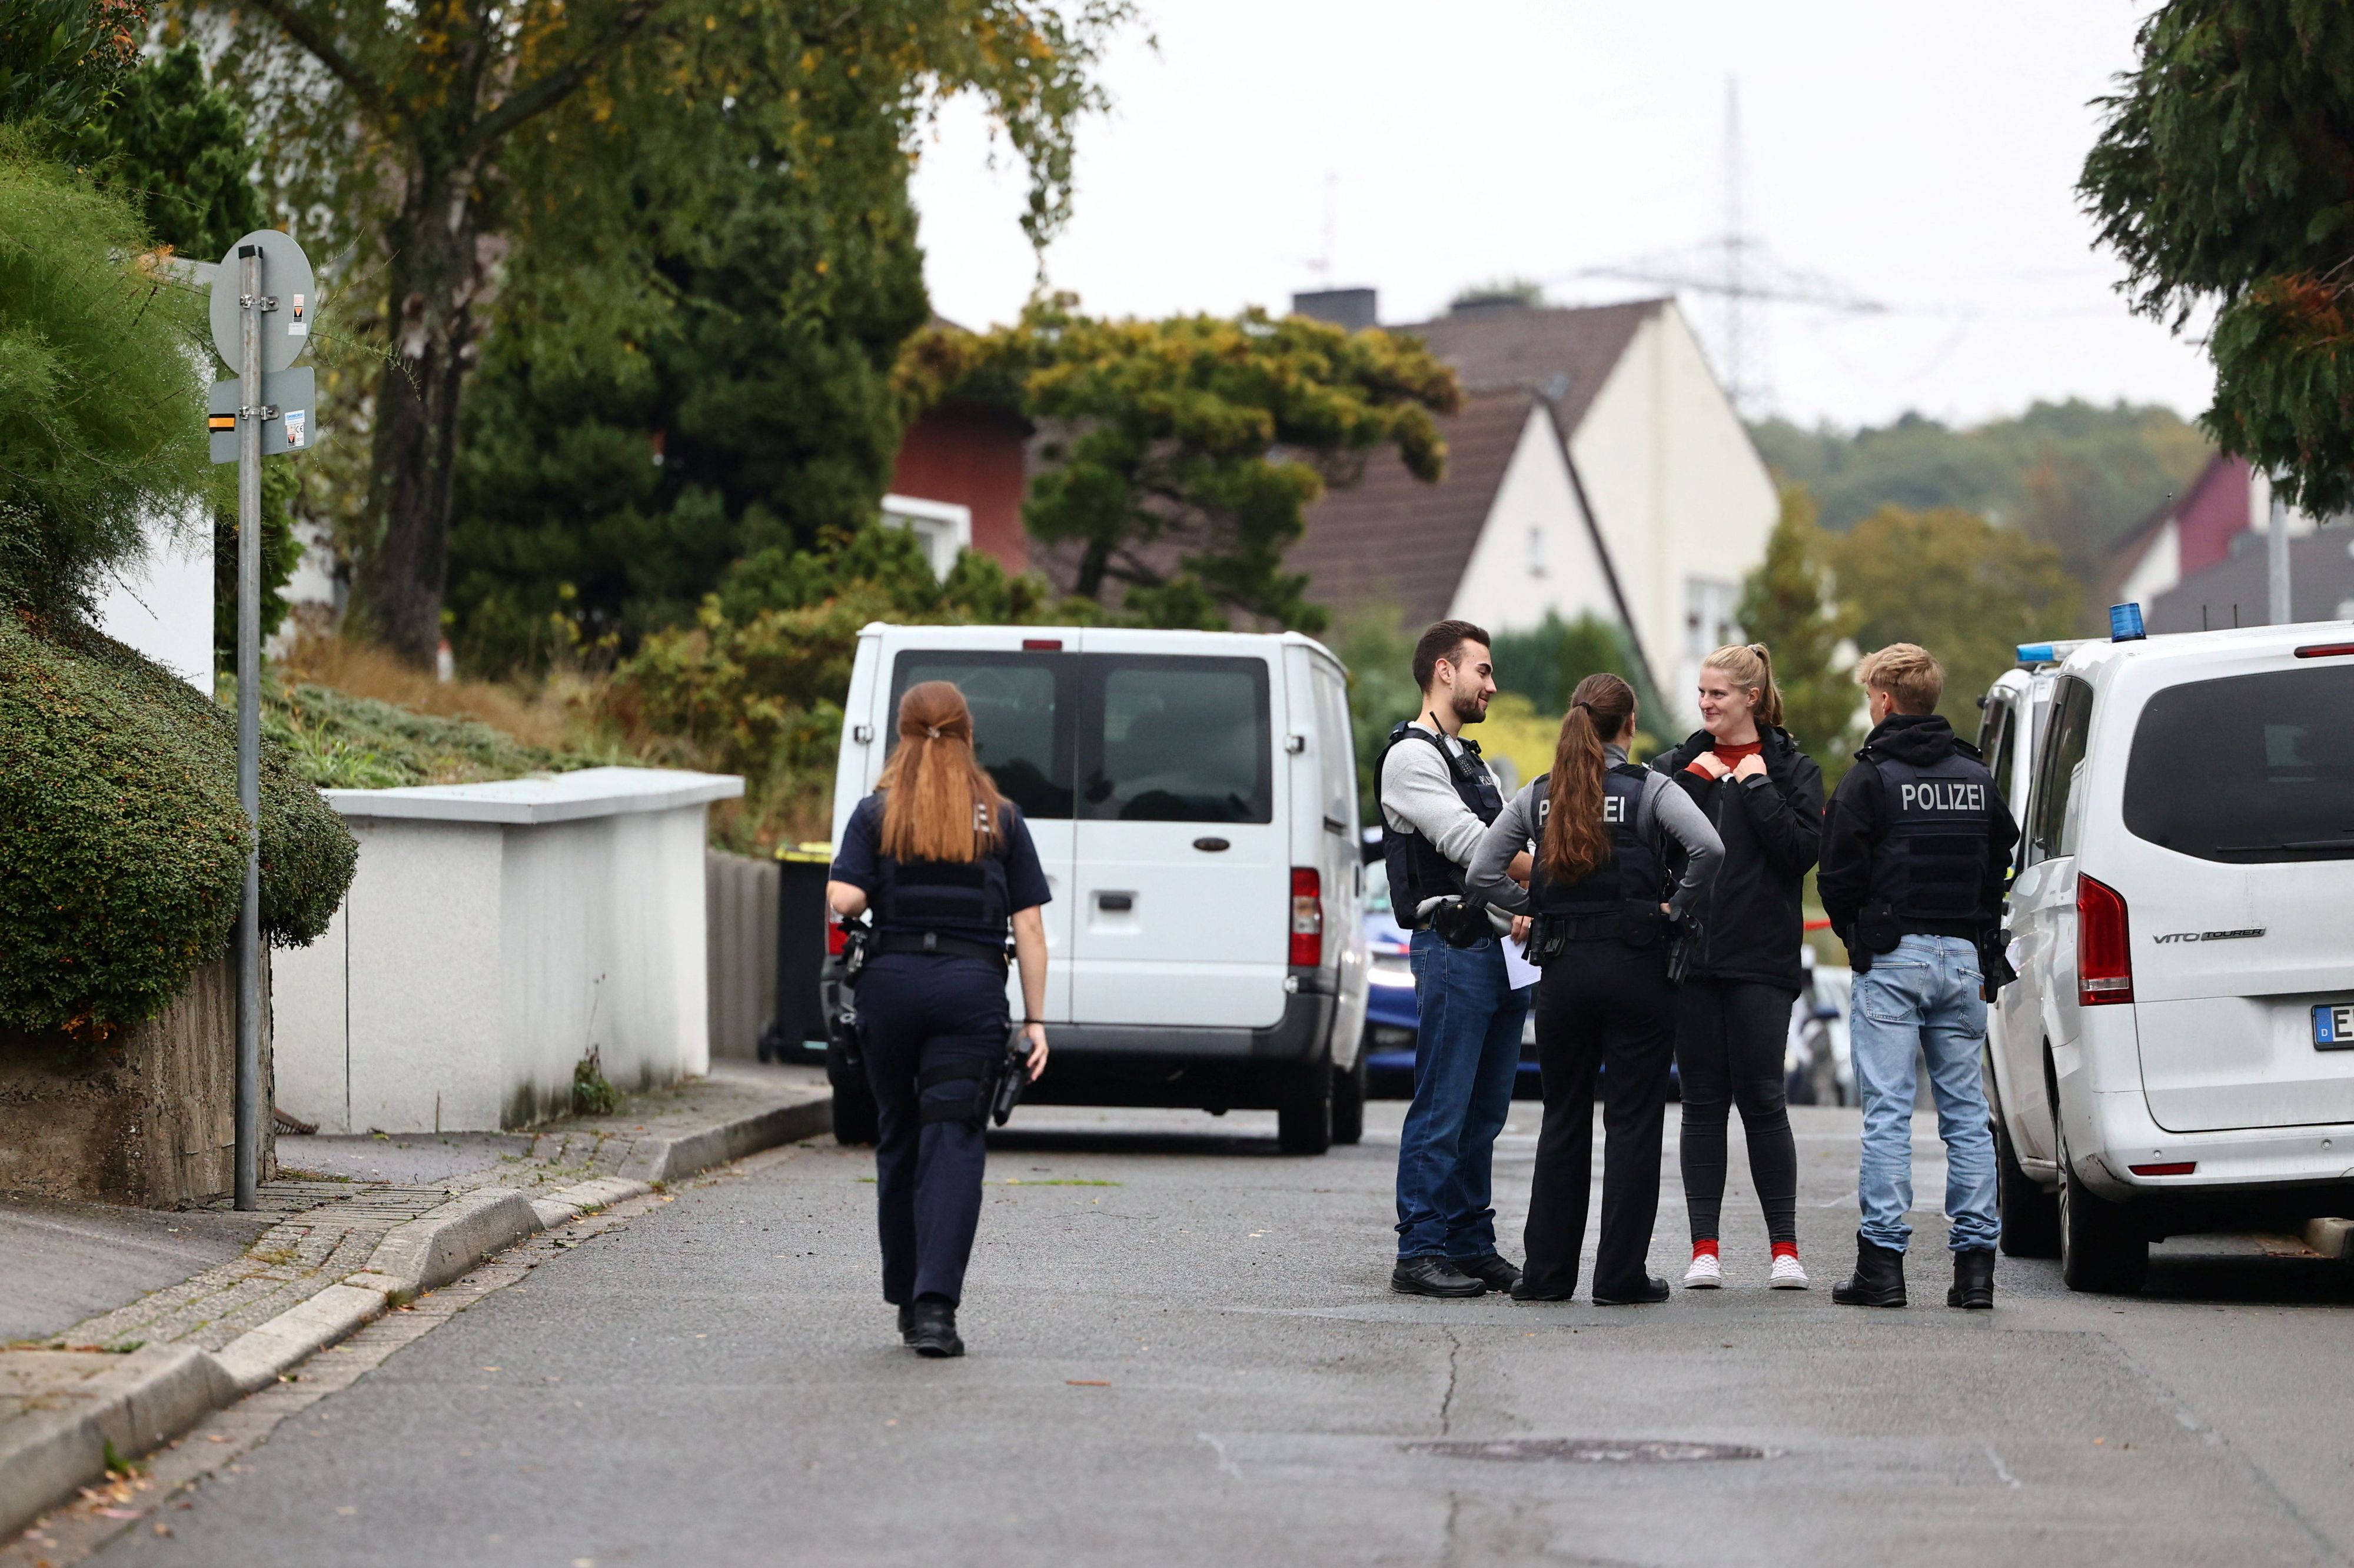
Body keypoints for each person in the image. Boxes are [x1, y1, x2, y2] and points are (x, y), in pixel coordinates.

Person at [1467, 673, 1722, 1305]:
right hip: (1637, 968)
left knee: (1564, 1116)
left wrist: (1532, 906)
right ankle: (1618, 1277)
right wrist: (1672, 906)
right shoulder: (1650, 789)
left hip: (1564, 971)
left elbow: (1481, 871)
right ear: (1628, 724)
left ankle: (1547, 1276)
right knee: (1632, 1121)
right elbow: (1708, 848)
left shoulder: (1541, 794)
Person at [826, 681, 1052, 1357]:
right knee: (953, 1139)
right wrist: (1035, 1022)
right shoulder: (1002, 818)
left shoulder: (877, 814)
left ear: (903, 734)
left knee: (898, 1133)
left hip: (890, 992)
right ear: (966, 733)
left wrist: (859, 883)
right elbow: (1031, 927)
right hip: (968, 992)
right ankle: (934, 1310)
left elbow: (845, 897)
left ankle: (903, 1292)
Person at [1817, 643, 2019, 1311]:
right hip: (1961, 957)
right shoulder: (1975, 774)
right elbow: (2000, 858)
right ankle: (1975, 1273)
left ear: (1883, 699)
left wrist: (1859, 935)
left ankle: (1882, 1268)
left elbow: (1836, 875)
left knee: (1888, 1116)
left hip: (1893, 956)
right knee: (1965, 1117)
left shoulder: (1870, 778)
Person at [1651, 644, 1824, 1290]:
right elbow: (1655, 848)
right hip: (1691, 958)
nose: (1705, 705)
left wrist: (1753, 783)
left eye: (1717, 694)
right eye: (1700, 693)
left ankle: (1784, 1248)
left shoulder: (1792, 768)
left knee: (1762, 1099)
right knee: (1700, 1103)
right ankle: (1704, 1249)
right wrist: (1695, 783)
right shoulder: (1676, 766)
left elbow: (1799, 852)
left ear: (1751, 697)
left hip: (1761, 961)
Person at [1381, 620, 1535, 1298]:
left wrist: (1527, 907)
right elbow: (1475, 846)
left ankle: (1470, 1241)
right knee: (1443, 1105)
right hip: (1452, 948)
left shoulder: (1468, 757)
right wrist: (1562, 870)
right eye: (1483, 671)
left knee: (1485, 1112)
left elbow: (1502, 847)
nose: (1492, 686)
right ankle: (1419, 1248)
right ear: (1444, 671)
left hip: (1500, 951)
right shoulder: (1411, 758)